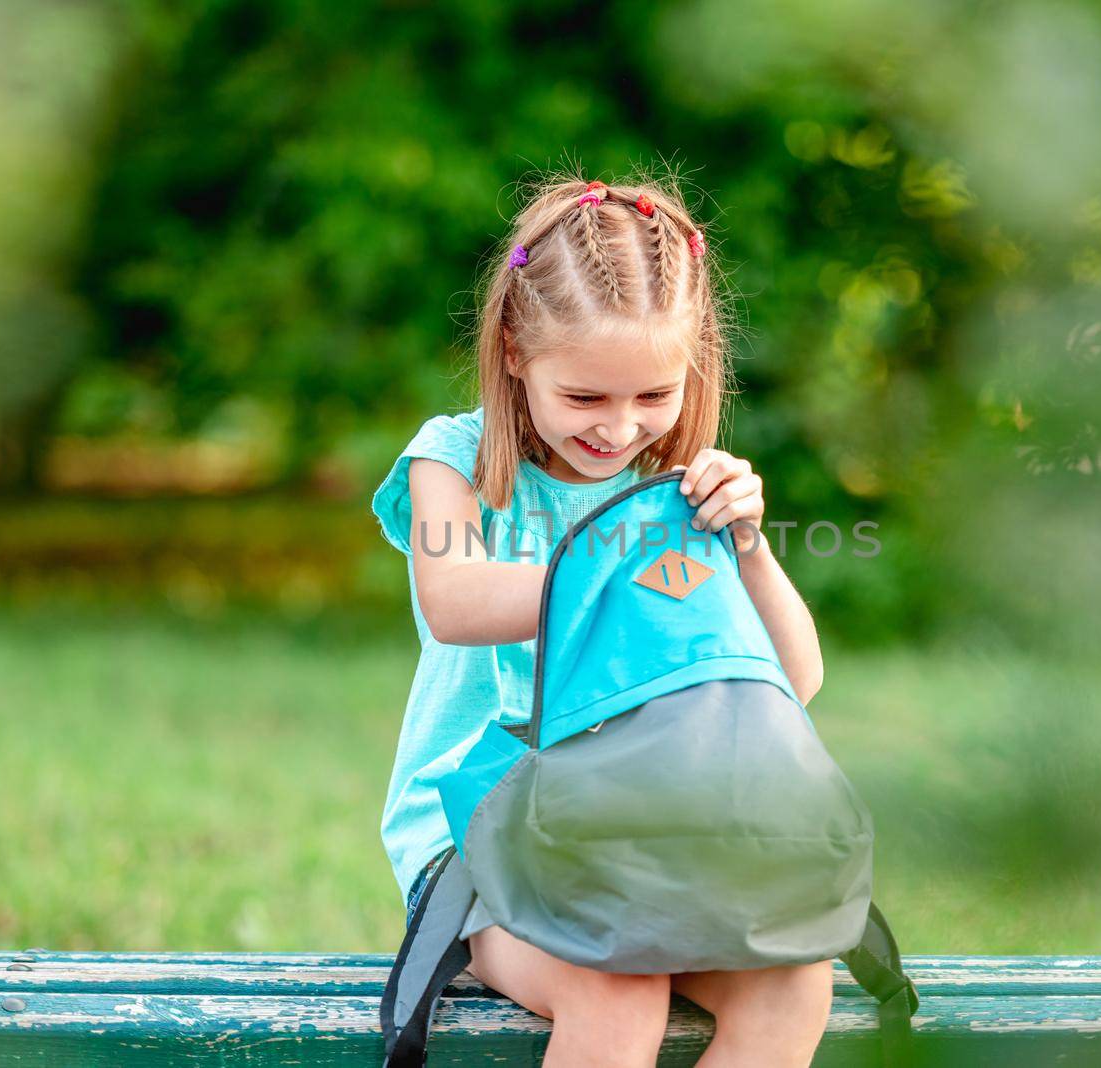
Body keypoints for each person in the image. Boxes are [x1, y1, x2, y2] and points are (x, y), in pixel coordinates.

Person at [371, 171, 832, 1067]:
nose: (620, 430)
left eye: (652, 396)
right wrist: (614, 565)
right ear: (513, 351)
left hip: (641, 833)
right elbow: (457, 601)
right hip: (481, 838)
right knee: (617, 989)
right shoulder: (454, 460)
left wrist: (745, 548)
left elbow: (795, 678)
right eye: (586, 398)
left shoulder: (678, 490)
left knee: (794, 981)